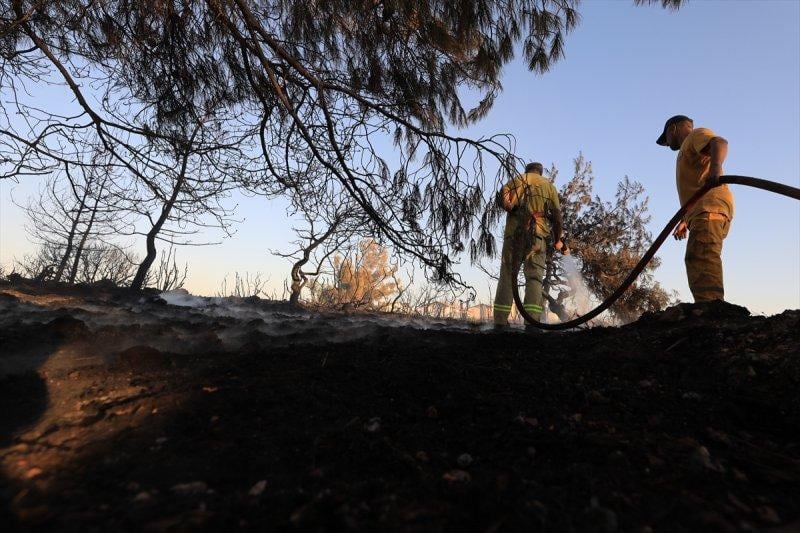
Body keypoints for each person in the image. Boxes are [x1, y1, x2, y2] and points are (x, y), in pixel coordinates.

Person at [656, 115, 734, 302]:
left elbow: (719, 142)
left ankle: (712, 309)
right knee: (698, 255)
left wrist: (716, 169)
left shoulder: (695, 135)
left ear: (673, 129)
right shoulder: (686, 150)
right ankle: (710, 307)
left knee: (701, 254)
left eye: (665, 138)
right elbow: (694, 187)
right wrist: (685, 219)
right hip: (701, 210)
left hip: (710, 206)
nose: (666, 144)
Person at [493, 162, 563, 327]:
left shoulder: (517, 179)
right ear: (540, 172)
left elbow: (502, 199)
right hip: (537, 237)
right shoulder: (549, 186)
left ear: (527, 170)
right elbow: (558, 217)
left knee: (507, 275)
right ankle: (532, 321)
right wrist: (558, 240)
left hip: (513, 236)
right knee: (534, 277)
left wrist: (513, 208)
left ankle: (500, 322)